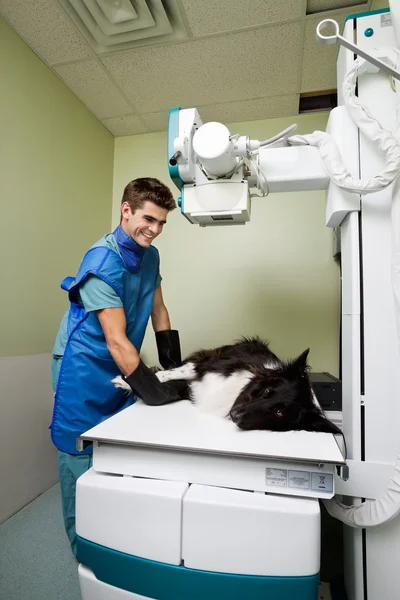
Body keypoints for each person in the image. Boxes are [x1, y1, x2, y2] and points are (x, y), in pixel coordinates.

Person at [50, 177, 187, 556]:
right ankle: (86, 556)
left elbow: (159, 310)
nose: (155, 230)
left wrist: (176, 371)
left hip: (121, 364)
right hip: (82, 367)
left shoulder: (150, 254)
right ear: (126, 210)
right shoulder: (101, 263)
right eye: (148, 219)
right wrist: (156, 393)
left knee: (118, 451)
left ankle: (118, 535)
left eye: (162, 223)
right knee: (79, 458)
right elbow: (115, 339)